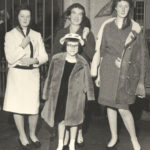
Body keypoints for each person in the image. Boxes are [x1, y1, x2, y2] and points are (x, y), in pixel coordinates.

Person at [91, 0, 149, 150]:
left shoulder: (135, 28)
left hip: (126, 74)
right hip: (107, 70)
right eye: (120, 6)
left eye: (126, 6)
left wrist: (125, 65)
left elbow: (141, 55)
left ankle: (134, 139)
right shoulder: (107, 26)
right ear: (115, 8)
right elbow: (101, 51)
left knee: (123, 108)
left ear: (129, 9)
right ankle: (114, 136)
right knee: (110, 105)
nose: (123, 9)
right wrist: (98, 75)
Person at [3, 4, 48, 150]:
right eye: (22, 16)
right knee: (18, 107)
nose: (25, 19)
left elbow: (44, 56)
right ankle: (22, 136)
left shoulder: (36, 34)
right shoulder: (10, 35)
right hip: (16, 75)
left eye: (28, 16)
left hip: (32, 74)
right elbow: (10, 58)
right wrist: (22, 46)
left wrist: (34, 60)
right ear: (17, 17)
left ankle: (33, 134)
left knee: (33, 107)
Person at [41, 33, 95, 150]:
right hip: (59, 94)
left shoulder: (82, 62)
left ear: (79, 47)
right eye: (70, 45)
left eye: (75, 46)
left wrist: (89, 95)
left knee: (74, 121)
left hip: (76, 96)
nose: (72, 48)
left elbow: (88, 80)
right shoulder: (56, 58)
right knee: (61, 120)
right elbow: (49, 77)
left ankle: (71, 144)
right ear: (65, 45)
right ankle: (60, 144)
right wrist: (45, 93)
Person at [53, 3, 95, 146]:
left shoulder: (87, 33)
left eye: (80, 14)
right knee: (64, 105)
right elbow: (54, 55)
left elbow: (91, 55)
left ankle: (79, 131)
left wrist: (83, 39)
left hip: (80, 75)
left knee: (79, 106)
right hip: (64, 75)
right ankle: (64, 135)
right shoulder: (61, 33)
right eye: (74, 13)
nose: (77, 17)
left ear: (83, 17)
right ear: (69, 16)